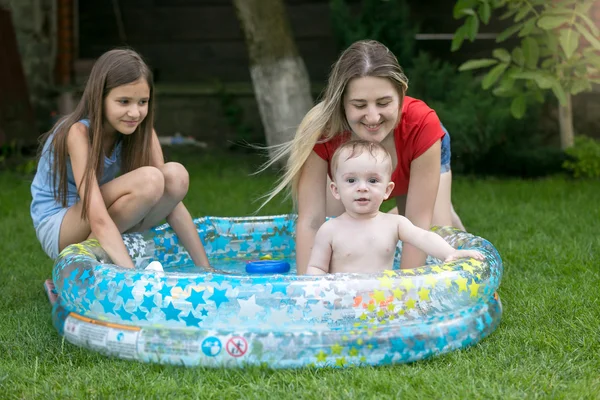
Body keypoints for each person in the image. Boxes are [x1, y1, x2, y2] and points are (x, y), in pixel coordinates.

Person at [259, 39, 465, 273]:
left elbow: (418, 222)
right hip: (354, 167)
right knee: (347, 221)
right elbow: (311, 221)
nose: (373, 117)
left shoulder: (421, 124)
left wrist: (406, 292)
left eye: (384, 102)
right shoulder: (323, 131)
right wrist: (308, 293)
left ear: (401, 93)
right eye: (359, 105)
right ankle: (413, 208)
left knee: (435, 229)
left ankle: (440, 204)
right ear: (342, 103)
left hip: (420, 152)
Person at [30, 49, 211, 270]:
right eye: (124, 101)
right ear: (100, 98)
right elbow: (96, 215)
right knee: (150, 180)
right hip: (60, 226)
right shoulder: (77, 133)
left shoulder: (139, 130)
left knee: (175, 177)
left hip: (98, 218)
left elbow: (172, 203)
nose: (134, 113)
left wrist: (207, 269)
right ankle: (81, 265)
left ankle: (102, 255)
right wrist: (133, 279)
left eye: (142, 102)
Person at [305, 140, 483, 275]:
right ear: (336, 190)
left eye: (373, 180)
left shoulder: (395, 224)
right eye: (351, 180)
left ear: (387, 190)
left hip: (383, 304)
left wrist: (449, 253)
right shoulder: (329, 230)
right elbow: (316, 267)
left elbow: (423, 236)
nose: (362, 187)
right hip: (344, 305)